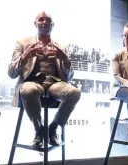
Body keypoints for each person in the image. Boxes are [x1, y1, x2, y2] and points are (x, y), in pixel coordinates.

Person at [8, 11, 81, 147]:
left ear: (52, 25)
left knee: (75, 92)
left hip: (56, 84)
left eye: (48, 20)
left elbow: (70, 76)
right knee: (28, 90)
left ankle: (53, 128)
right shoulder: (22, 43)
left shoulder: (62, 46)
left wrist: (65, 59)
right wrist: (25, 56)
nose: (45, 22)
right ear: (35, 23)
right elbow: (11, 72)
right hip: (33, 82)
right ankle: (39, 130)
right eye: (41, 19)